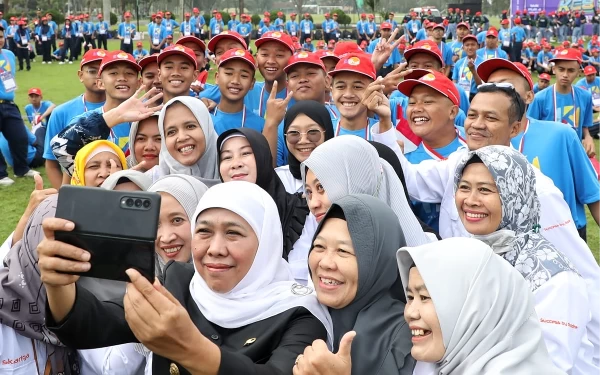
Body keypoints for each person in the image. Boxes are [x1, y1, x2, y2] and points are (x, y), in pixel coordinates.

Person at [40, 180, 333, 374]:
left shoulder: (299, 313)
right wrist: (58, 285)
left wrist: (189, 346)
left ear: (267, 243)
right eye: (204, 231)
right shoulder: (181, 279)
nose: (215, 249)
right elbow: (98, 325)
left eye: (234, 233)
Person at [454, 145, 599, 373]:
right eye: (464, 187)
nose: (470, 200)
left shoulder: (553, 277)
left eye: (485, 190)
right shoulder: (465, 254)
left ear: (514, 195)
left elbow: (550, 364)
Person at [397, 237, 565, 375]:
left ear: (475, 307)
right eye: (410, 297)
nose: (410, 312)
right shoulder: (436, 367)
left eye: (425, 297)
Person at [295, 194, 415, 375]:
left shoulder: (408, 337)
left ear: (378, 261)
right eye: (319, 246)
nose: (326, 263)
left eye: (343, 251)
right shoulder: (302, 315)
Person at [302, 135, 433, 247]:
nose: (313, 204)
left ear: (357, 183)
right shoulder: (320, 252)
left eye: (321, 187)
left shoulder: (420, 257)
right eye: (309, 192)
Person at [217, 128, 311, 283]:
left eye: (246, 153)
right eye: (227, 157)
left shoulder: (302, 214)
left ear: (263, 157)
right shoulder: (215, 221)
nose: (235, 164)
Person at [50, 51, 152, 176]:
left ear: (138, 83)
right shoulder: (84, 121)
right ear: (100, 83)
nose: (122, 78)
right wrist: (114, 117)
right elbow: (61, 150)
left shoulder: (148, 118)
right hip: (96, 193)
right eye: (113, 73)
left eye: (129, 73)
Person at [398, 70, 465, 233]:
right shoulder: (405, 158)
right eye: (412, 103)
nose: (417, 109)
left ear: (452, 112)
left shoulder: (475, 144)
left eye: (427, 102)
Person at [44, 49, 106, 189]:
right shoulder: (61, 113)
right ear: (80, 75)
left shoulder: (126, 110)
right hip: (78, 193)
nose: (98, 76)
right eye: (92, 71)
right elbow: (51, 163)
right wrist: (64, 195)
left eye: (104, 71)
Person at [527, 49, 595, 157]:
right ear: (554, 70)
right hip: (548, 154)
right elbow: (529, 131)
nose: (565, 74)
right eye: (561, 69)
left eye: (571, 70)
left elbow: (584, 127)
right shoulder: (539, 98)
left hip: (574, 153)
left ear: (578, 73)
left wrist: (588, 137)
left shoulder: (585, 97)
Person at [148, 96, 219, 183]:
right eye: (171, 132)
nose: (181, 137)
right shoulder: (150, 181)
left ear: (207, 128)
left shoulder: (236, 174)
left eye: (190, 126)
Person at [147, 174, 208, 275]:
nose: (166, 238)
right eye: (155, 224)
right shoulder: (140, 285)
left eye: (177, 220)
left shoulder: (230, 286)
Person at [0, 25, 36, 187]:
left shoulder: (8, 55)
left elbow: (9, 79)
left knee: (20, 137)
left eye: (1, 36)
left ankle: (21, 169)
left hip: (9, 104)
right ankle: (1, 175)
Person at [276, 100, 334, 194]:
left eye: (313, 132)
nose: (303, 140)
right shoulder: (278, 180)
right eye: (294, 133)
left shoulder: (342, 179)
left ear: (327, 133)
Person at [211, 48, 265, 134]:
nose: (235, 81)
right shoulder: (202, 118)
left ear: (252, 83)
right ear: (217, 78)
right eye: (229, 73)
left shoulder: (260, 125)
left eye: (244, 76)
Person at [245, 31, 295, 118]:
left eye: (279, 55)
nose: (271, 61)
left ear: (291, 59)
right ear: (257, 58)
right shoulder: (246, 91)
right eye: (264, 54)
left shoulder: (299, 95)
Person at [453, 35, 484, 101]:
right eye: (467, 45)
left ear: (477, 47)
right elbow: (454, 81)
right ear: (463, 47)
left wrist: (473, 70)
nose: (470, 47)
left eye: (473, 45)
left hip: (476, 96)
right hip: (461, 96)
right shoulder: (459, 63)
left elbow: (481, 86)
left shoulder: (483, 63)